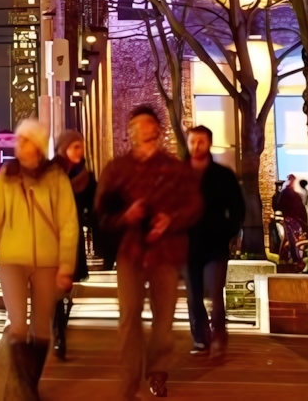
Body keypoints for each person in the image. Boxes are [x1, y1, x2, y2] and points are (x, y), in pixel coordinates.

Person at [96, 105, 202, 400]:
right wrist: (125, 217)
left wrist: (171, 220)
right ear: (129, 132)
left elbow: (193, 206)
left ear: (157, 129)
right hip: (130, 251)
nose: (142, 130)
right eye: (136, 125)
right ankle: (129, 378)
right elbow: (101, 212)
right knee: (129, 316)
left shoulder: (174, 168)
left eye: (147, 124)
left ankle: (157, 371)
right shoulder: (116, 169)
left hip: (165, 252)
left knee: (163, 317)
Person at [0, 118, 77, 399]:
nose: (22, 146)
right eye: (20, 141)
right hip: (12, 260)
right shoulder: (5, 178)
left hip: (48, 261)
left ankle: (30, 381)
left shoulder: (55, 178)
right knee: (18, 324)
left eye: (27, 141)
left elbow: (68, 223)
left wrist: (66, 265)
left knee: (42, 325)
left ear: (38, 145)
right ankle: (27, 387)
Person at [182, 124, 244, 360]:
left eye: (201, 141)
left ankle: (219, 337)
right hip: (188, 244)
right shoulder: (180, 174)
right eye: (192, 141)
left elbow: (237, 208)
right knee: (193, 295)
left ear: (209, 143)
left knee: (215, 295)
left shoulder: (222, 175)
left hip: (216, 244)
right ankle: (200, 338)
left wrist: (229, 232)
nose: (196, 145)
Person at [51, 129, 96, 361]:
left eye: (81, 146)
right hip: (52, 236)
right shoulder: (51, 172)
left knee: (66, 288)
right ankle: (58, 335)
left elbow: (94, 205)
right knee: (57, 289)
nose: (80, 150)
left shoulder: (85, 175)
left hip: (73, 236)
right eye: (75, 146)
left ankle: (60, 330)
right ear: (63, 148)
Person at [275, 173, 308, 266]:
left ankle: (295, 257)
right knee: (292, 239)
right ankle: (294, 258)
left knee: (295, 238)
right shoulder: (286, 192)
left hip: (294, 218)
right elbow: (280, 205)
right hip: (290, 218)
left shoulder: (292, 193)